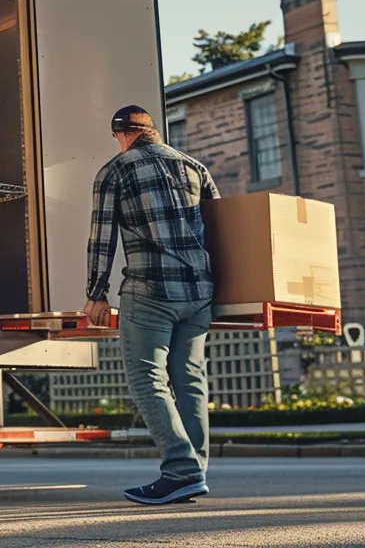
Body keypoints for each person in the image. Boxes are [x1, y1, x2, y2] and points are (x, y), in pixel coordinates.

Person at [82, 104, 220, 506]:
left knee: (148, 380)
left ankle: (181, 470)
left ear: (121, 134)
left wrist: (96, 292)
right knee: (190, 379)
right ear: (153, 131)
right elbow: (221, 227)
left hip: (150, 291)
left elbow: (102, 237)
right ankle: (194, 469)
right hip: (198, 294)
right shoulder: (195, 168)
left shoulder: (116, 170)